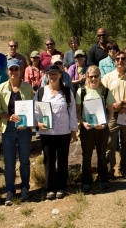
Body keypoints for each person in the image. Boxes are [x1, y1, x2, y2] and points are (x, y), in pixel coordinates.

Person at [0, 59, 34, 205]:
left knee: (24, 161)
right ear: (7, 71)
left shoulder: (27, 88)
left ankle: (25, 188)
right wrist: (8, 117)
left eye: (16, 69)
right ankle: (10, 191)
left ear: (20, 71)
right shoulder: (1, 88)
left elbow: (32, 108)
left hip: (24, 129)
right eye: (11, 69)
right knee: (9, 162)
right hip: (8, 129)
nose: (14, 72)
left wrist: (27, 123)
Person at [36, 65, 78, 200]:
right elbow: (34, 110)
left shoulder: (67, 92)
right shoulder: (41, 92)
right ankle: (50, 188)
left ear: (60, 75)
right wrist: (37, 123)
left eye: (55, 74)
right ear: (46, 76)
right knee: (49, 161)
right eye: (50, 74)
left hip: (64, 132)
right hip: (47, 133)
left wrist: (73, 131)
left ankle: (61, 187)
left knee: (63, 160)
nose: (53, 77)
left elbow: (72, 113)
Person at [102, 51, 126, 178]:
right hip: (112, 114)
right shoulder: (107, 78)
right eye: (117, 59)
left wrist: (123, 103)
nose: (120, 61)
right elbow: (102, 95)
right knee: (110, 143)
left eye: (123, 58)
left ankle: (124, 169)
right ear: (114, 61)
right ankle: (109, 170)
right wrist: (112, 105)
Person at [76, 66, 115, 192]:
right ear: (87, 76)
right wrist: (83, 123)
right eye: (91, 76)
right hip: (87, 129)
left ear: (100, 76)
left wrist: (105, 124)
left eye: (96, 76)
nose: (93, 79)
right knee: (86, 155)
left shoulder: (105, 91)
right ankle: (87, 180)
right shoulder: (81, 91)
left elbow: (110, 111)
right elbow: (77, 112)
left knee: (102, 154)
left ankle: (103, 178)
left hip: (102, 129)